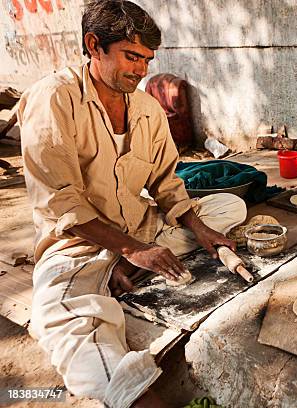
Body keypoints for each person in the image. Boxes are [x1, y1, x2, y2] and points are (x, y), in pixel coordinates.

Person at [17, 1, 247, 407]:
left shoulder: (145, 108)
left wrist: (198, 226)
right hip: (79, 245)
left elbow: (164, 181)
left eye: (147, 60)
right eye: (132, 56)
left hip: (141, 227)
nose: (142, 70)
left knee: (227, 208)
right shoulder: (53, 99)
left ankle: (124, 269)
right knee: (62, 323)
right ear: (95, 45)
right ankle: (132, 392)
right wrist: (131, 249)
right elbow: (61, 201)